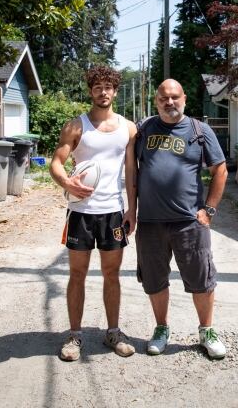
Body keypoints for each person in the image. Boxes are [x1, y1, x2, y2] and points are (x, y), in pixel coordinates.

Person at [131, 79, 228, 359]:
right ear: (156, 100)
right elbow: (127, 165)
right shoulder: (143, 130)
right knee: (154, 279)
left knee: (202, 278)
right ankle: (161, 328)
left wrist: (208, 210)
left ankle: (207, 331)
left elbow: (219, 169)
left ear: (184, 98)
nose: (169, 102)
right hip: (150, 222)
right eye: (164, 98)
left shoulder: (200, 130)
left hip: (189, 222)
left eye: (174, 97)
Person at [49, 66, 138, 361]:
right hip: (80, 213)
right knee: (77, 273)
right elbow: (57, 162)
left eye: (108, 87)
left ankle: (113, 331)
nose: (103, 92)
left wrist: (131, 209)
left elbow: (131, 170)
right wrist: (66, 181)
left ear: (115, 91)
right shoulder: (77, 126)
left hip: (113, 212)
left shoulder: (128, 128)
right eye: (98, 87)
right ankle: (74, 336)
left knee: (112, 274)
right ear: (90, 90)